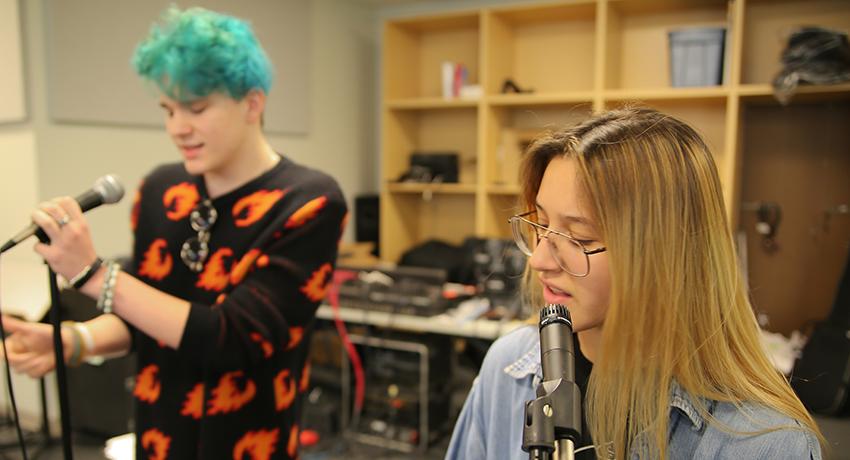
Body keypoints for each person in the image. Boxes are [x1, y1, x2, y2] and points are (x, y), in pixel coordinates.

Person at [2, 6, 346, 459]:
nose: (177, 128)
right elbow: (149, 315)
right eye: (168, 110)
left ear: (252, 103)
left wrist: (94, 275)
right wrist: (75, 341)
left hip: (247, 443)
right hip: (159, 437)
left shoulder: (309, 202)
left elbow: (232, 338)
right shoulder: (162, 190)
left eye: (196, 109)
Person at [446, 107, 826, 459]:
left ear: (667, 253)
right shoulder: (508, 368)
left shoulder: (766, 445)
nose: (540, 260)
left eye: (580, 238)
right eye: (542, 225)